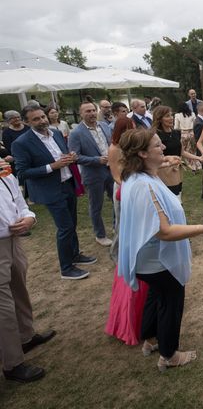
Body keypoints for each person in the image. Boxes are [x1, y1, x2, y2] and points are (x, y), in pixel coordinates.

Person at [117, 129, 203, 372]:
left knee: (156, 296)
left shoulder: (136, 175)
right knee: (171, 301)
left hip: (148, 260)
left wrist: (166, 161)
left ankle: (151, 339)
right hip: (157, 260)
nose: (163, 148)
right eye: (158, 146)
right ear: (143, 153)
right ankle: (169, 354)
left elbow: (158, 167)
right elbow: (163, 231)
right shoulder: (144, 186)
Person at [12, 106, 96, 280]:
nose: (42, 120)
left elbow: (61, 154)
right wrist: (52, 166)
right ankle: (66, 268)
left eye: (43, 116)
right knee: (65, 227)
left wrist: (70, 156)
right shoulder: (21, 143)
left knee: (72, 223)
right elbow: (22, 172)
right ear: (27, 122)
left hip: (67, 184)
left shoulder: (55, 133)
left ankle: (74, 254)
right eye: (36, 119)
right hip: (50, 190)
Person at [0, 158, 56, 383]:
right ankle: (13, 363)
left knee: (19, 289)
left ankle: (26, 336)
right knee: (3, 306)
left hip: (14, 240)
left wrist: (29, 218)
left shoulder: (4, 170)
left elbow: (20, 202)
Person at [104, 118, 150, 346]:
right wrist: (132, 186)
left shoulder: (138, 160)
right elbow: (117, 175)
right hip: (124, 192)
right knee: (130, 247)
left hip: (134, 190)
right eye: (130, 128)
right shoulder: (115, 150)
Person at [68, 101, 114, 247]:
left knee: (117, 201)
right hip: (93, 174)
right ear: (81, 114)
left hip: (111, 170)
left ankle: (116, 226)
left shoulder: (105, 126)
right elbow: (75, 157)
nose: (92, 113)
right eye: (87, 111)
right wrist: (96, 160)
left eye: (93, 110)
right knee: (96, 206)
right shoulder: (76, 133)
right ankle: (100, 235)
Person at [151, 106, 202, 198]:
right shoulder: (155, 135)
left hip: (177, 170)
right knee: (169, 198)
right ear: (159, 118)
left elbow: (182, 152)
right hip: (163, 171)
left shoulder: (176, 133)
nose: (171, 118)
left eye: (171, 115)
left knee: (178, 195)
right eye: (167, 116)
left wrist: (199, 158)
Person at [173, 102, 199, 172]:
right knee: (192, 151)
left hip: (183, 134)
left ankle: (179, 164)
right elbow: (195, 124)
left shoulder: (177, 115)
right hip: (191, 133)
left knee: (182, 150)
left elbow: (176, 127)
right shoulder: (192, 114)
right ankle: (194, 166)